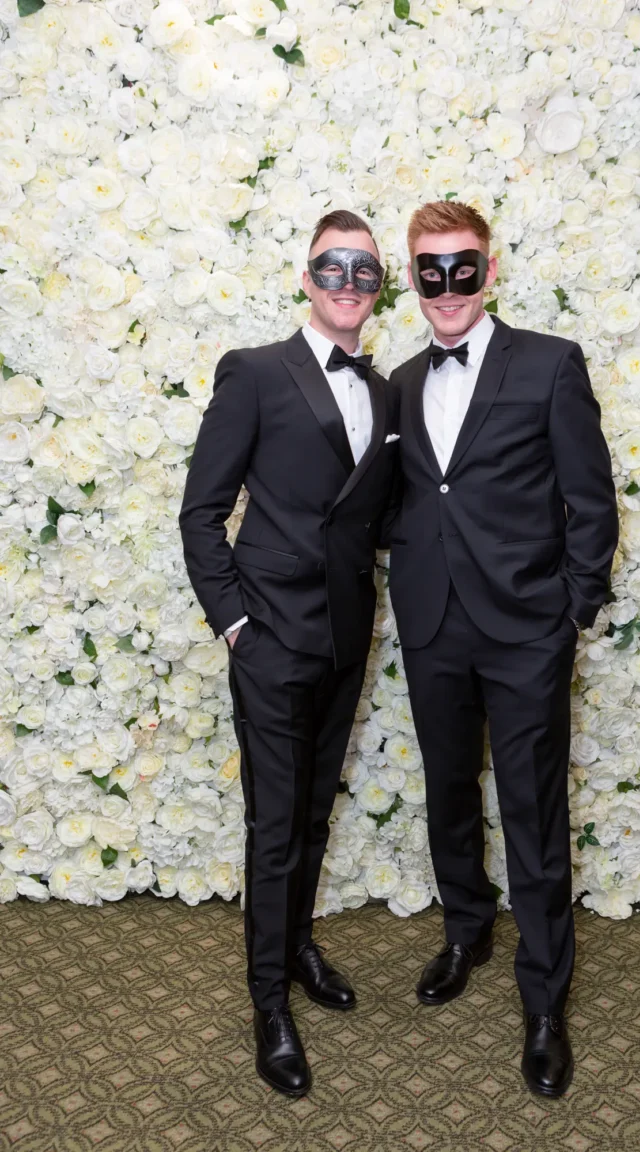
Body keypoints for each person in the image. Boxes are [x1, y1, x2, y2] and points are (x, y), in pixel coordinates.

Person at [387, 200, 618, 1097]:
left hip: (527, 631)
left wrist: (572, 612)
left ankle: (546, 1001)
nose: (447, 286)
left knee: (532, 810)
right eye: (429, 270)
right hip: (432, 622)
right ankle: (465, 928)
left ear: (489, 271)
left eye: (463, 267)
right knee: (449, 793)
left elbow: (590, 501)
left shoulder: (551, 364)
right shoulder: (399, 381)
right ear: (411, 279)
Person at [178, 210, 399, 1098]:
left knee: (312, 814)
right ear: (307, 278)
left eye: (365, 271)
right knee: (274, 829)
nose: (348, 282)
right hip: (270, 637)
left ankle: (297, 943)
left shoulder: (383, 391)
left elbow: (375, 516)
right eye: (332, 266)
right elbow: (202, 513)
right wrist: (235, 624)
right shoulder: (256, 373)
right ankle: (268, 1002)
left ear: (377, 287)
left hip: (348, 633)